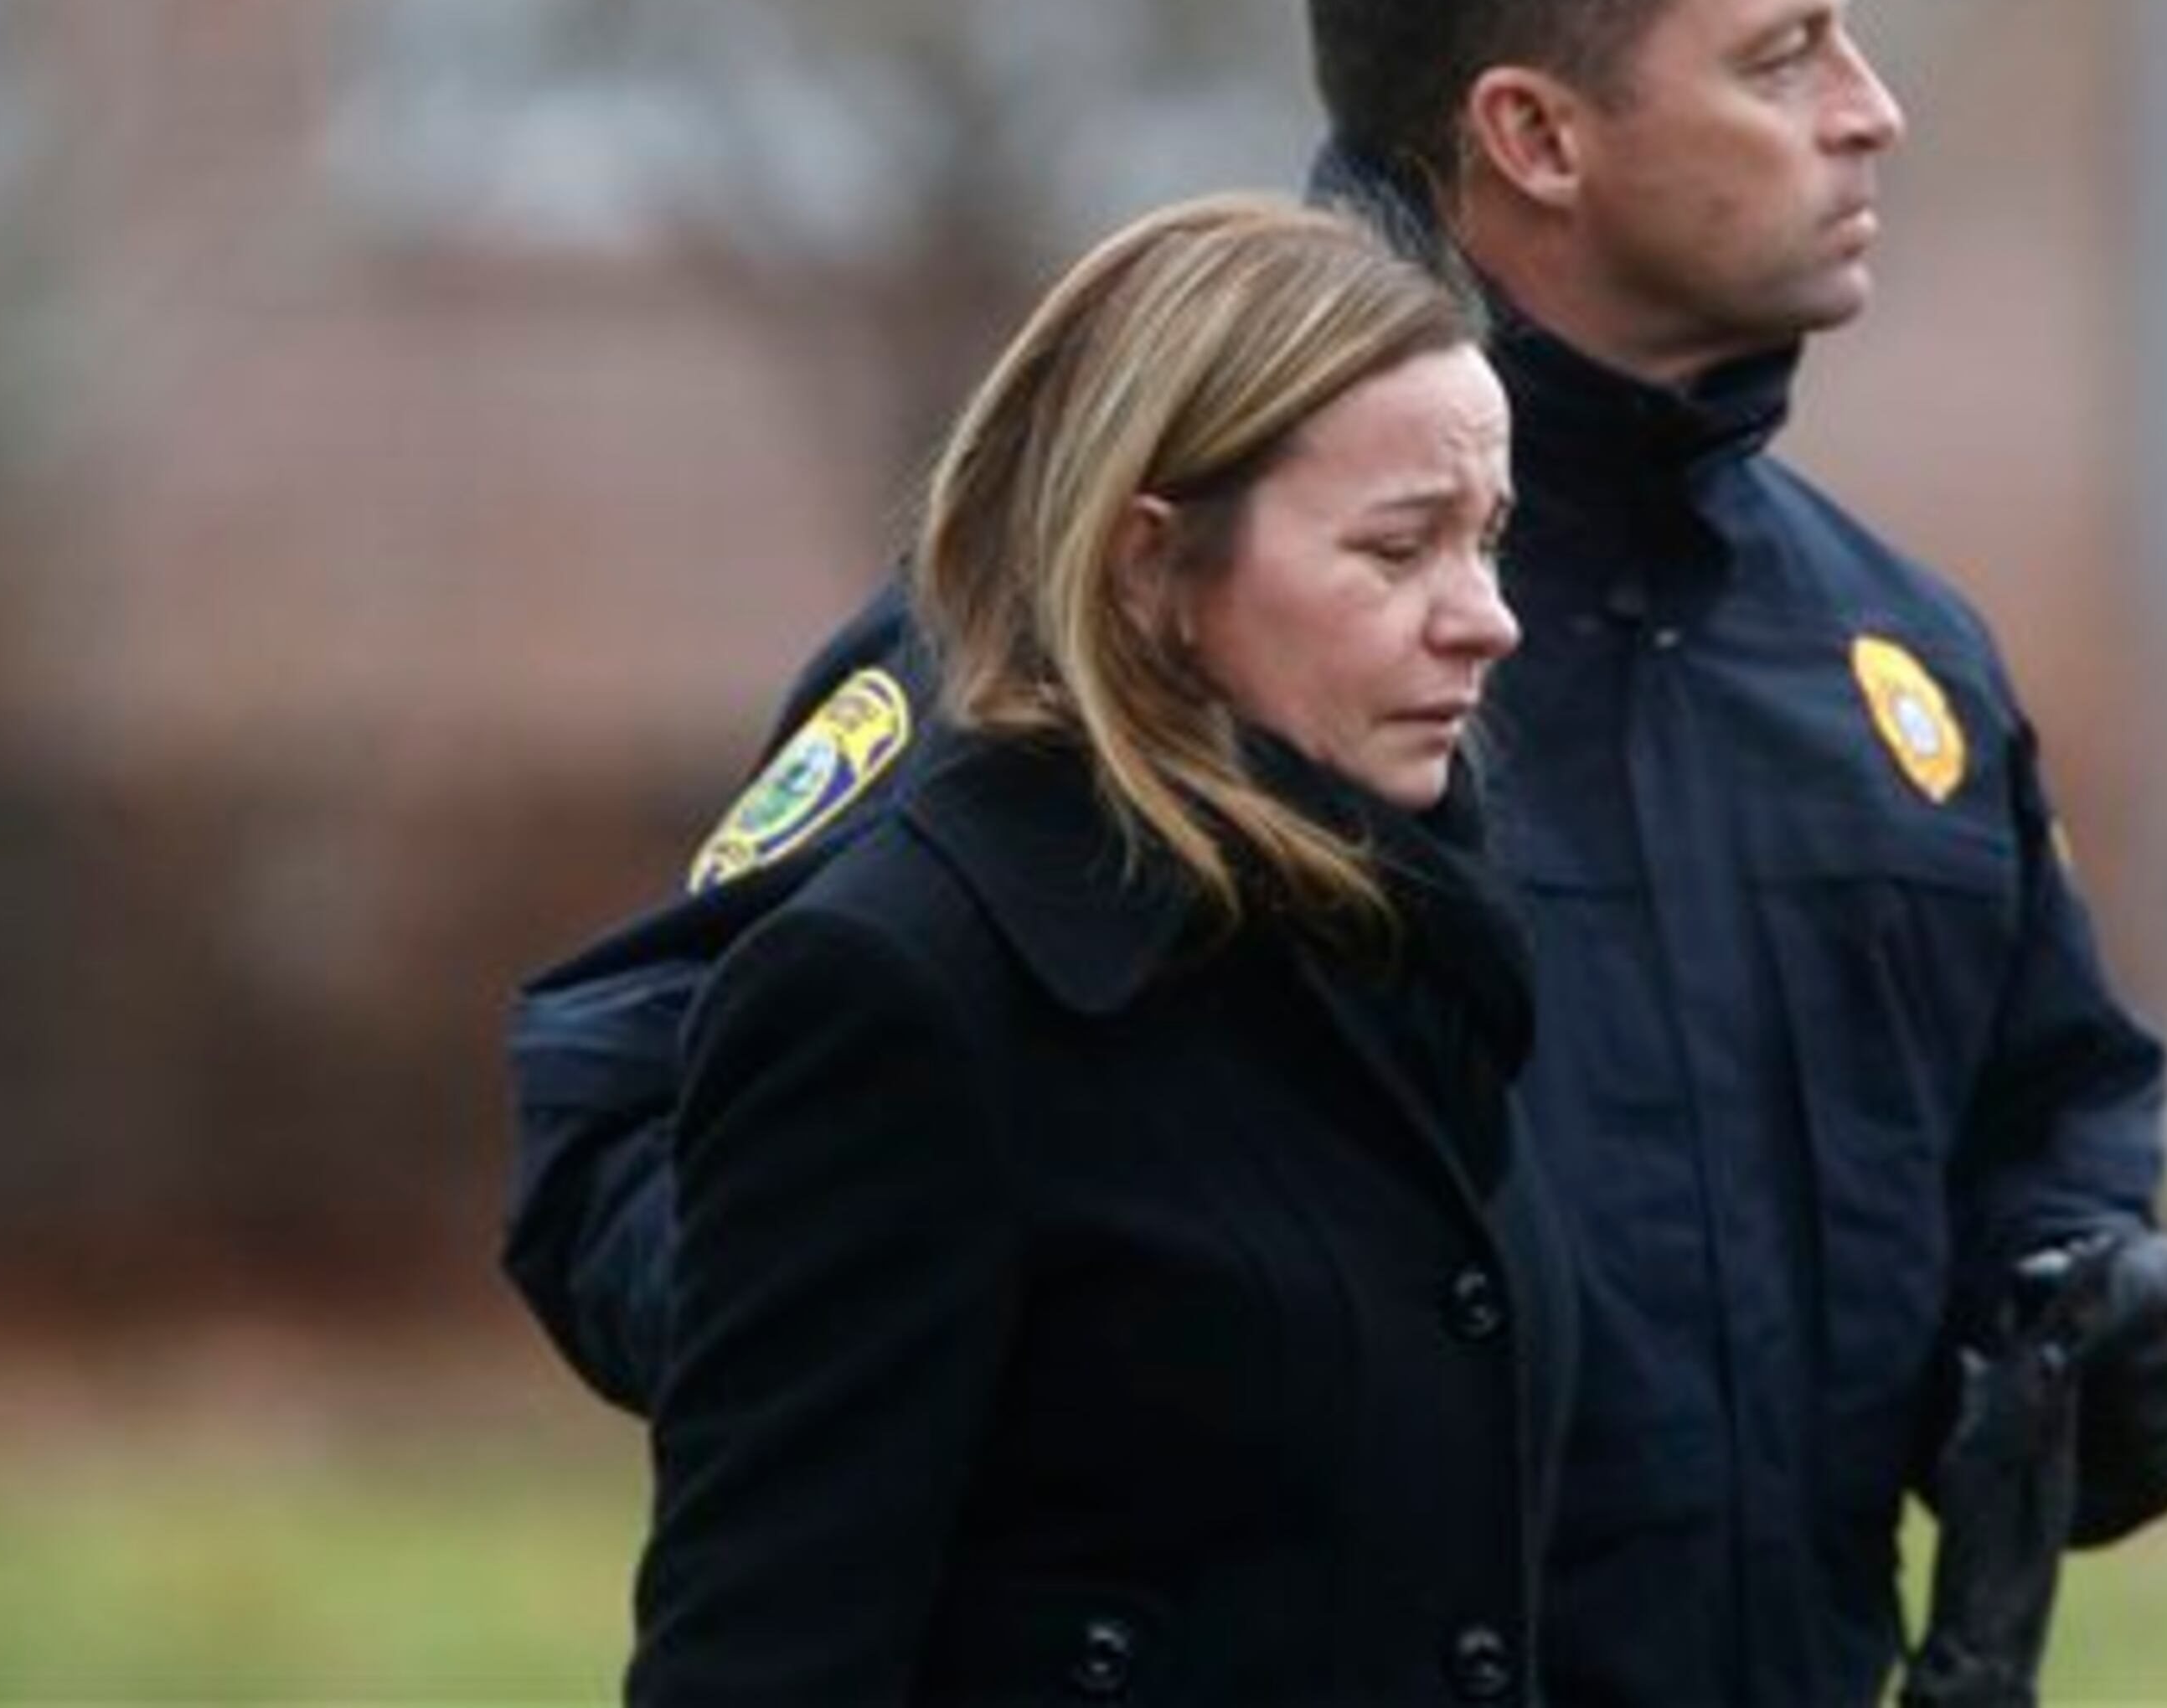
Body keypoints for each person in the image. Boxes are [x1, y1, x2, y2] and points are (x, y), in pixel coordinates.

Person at [511, 0, 2167, 1707]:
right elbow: (658, 1118)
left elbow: (2050, 1128)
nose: (1875, 116)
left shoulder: (1889, 670)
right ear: (1536, 132)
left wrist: (2089, 1324)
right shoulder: (1125, 620)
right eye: (1785, 58)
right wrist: (1037, 1381)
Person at [627, 194, 1571, 1705]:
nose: (1490, 619)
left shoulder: (1411, 940)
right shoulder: (900, 989)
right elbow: (762, 1656)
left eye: (1491, 538)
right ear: (1150, 566)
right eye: (1401, 550)